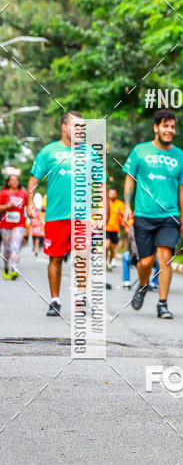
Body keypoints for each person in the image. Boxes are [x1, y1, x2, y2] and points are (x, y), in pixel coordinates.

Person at [27, 111, 105, 316]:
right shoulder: (48, 152)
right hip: (55, 216)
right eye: (75, 126)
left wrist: (100, 210)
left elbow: (100, 182)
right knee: (55, 258)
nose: (79, 130)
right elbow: (35, 179)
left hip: (82, 216)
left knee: (82, 255)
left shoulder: (89, 153)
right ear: (64, 127)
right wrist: (30, 203)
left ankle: (80, 297)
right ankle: (55, 300)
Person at [122, 109, 183, 318]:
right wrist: (126, 206)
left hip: (169, 215)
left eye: (172, 126)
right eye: (165, 126)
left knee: (165, 258)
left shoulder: (180, 156)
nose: (170, 130)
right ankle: (143, 286)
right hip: (143, 214)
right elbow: (129, 178)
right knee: (145, 262)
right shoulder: (140, 151)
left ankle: (163, 303)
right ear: (156, 128)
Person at [0, 173, 28, 279]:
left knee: (15, 246)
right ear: (8, 182)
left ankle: (15, 268)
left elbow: (28, 206)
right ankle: (6, 267)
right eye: (12, 180)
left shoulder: (23, 193)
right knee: (7, 249)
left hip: (19, 224)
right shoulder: (3, 193)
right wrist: (6, 206)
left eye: (16, 180)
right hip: (5, 225)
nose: (15, 182)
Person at [105, 188, 125, 270]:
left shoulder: (120, 204)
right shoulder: (104, 203)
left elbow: (125, 215)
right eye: (110, 193)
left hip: (115, 229)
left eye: (114, 193)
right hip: (106, 228)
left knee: (113, 248)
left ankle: (110, 261)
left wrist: (120, 212)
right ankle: (105, 262)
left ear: (116, 195)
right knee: (106, 246)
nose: (112, 195)